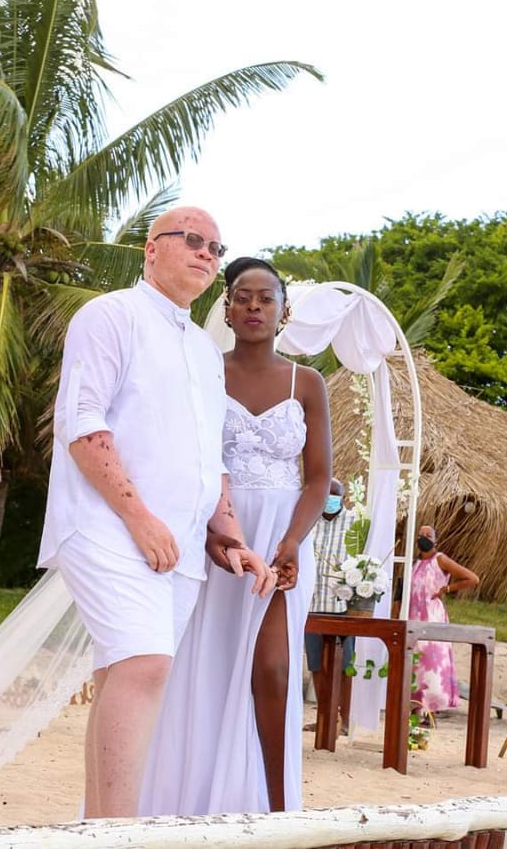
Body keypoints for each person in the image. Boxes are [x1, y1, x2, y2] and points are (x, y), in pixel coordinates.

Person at [38, 207, 273, 819]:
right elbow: (81, 423)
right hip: (108, 526)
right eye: (192, 240)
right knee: (144, 664)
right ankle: (119, 832)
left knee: (124, 674)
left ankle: (97, 827)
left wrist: (230, 535)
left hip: (180, 547)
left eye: (216, 248)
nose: (206, 255)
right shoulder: (109, 315)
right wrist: (139, 519)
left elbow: (208, 455)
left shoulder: (204, 350)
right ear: (151, 248)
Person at [141, 256, 331, 815]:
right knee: (206, 666)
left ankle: (278, 809)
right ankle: (198, 801)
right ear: (225, 309)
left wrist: (293, 542)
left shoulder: (307, 382)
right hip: (214, 534)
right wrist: (209, 531)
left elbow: (318, 478)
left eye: (265, 298)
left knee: (272, 669)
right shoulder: (204, 372)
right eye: (242, 297)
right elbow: (181, 458)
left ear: (283, 311)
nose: (253, 307)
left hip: (281, 540)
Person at [410, 525, 479, 715]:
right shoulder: (414, 563)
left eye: (428, 535)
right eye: (421, 535)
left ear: (435, 540)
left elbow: (472, 578)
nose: (424, 538)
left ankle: (431, 709)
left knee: (431, 661)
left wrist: (447, 589)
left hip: (432, 615)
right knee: (415, 661)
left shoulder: (440, 559)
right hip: (413, 615)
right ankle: (416, 707)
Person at [304, 478, 357, 725]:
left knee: (345, 665)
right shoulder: (309, 520)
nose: (330, 500)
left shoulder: (355, 523)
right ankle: (325, 717)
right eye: (328, 494)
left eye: (336, 496)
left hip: (342, 606)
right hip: (312, 605)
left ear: (343, 498)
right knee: (317, 664)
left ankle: (344, 719)